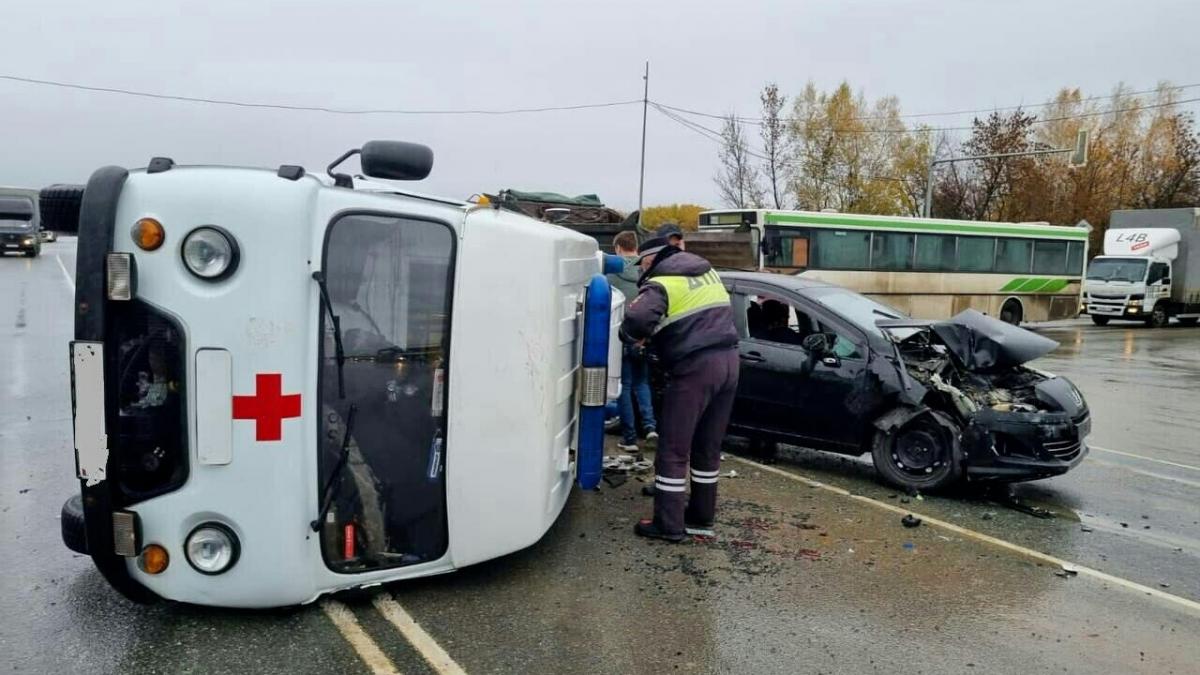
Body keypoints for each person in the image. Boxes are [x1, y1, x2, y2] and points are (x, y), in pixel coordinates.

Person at [621, 234, 739, 542]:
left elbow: (635, 318)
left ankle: (668, 524)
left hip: (695, 369)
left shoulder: (662, 281)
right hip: (729, 362)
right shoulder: (706, 271)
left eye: (642, 263)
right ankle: (701, 517)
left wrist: (633, 336)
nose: (641, 269)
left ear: (652, 259)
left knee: (673, 449)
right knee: (707, 448)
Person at [606, 230, 658, 452]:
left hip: (622, 337)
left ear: (617, 248)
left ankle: (629, 439)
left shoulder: (610, 273)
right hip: (643, 336)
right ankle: (650, 427)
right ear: (636, 247)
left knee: (625, 386)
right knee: (642, 383)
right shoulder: (646, 271)